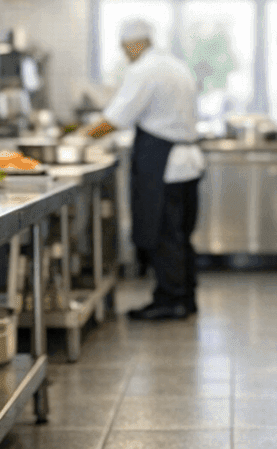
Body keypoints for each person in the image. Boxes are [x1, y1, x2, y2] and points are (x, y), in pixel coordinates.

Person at [85, 18, 204, 321]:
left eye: (125, 48)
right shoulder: (176, 65)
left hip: (166, 164)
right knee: (180, 234)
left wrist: (80, 137)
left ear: (136, 43)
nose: (126, 54)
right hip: (187, 163)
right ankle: (185, 297)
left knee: (164, 234)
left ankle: (170, 300)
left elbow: (115, 119)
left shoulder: (145, 70)